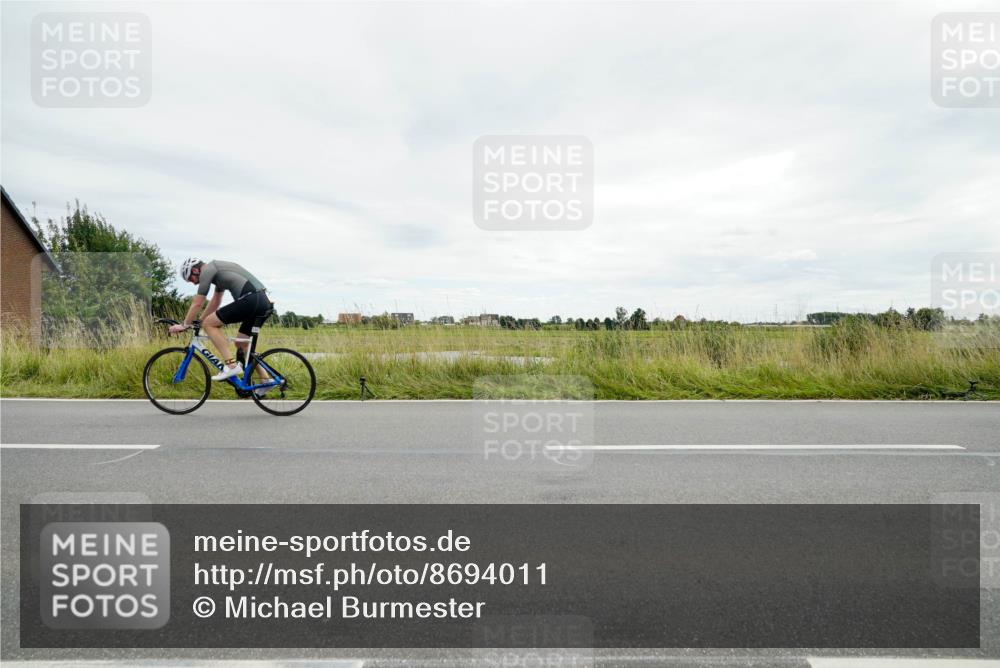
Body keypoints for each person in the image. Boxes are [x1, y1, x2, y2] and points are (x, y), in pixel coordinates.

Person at [171, 258, 273, 382]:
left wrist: (184, 324)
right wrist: (200, 321)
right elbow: (215, 301)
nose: (193, 283)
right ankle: (266, 380)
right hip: (262, 301)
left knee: (209, 324)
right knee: (241, 344)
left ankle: (231, 366)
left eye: (191, 279)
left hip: (251, 299)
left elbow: (198, 303)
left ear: (195, 270)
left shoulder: (207, 270)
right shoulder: (217, 271)